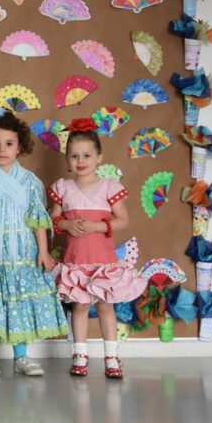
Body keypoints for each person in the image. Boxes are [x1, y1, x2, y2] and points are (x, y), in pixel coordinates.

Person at [0, 113, 69, 377]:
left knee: (19, 302)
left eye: (8, 144)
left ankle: (21, 357)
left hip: (22, 254)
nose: (2, 149)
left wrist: (42, 250)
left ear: (20, 147)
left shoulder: (29, 181)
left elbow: (38, 220)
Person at [48, 118, 147, 379]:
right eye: (74, 156)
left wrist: (95, 225)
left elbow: (123, 220)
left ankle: (112, 357)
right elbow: (53, 220)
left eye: (87, 155)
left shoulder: (108, 187)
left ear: (99, 158)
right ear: (67, 160)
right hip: (76, 260)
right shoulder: (63, 188)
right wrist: (67, 223)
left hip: (102, 260)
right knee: (79, 307)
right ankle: (79, 355)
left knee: (105, 306)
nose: (81, 161)